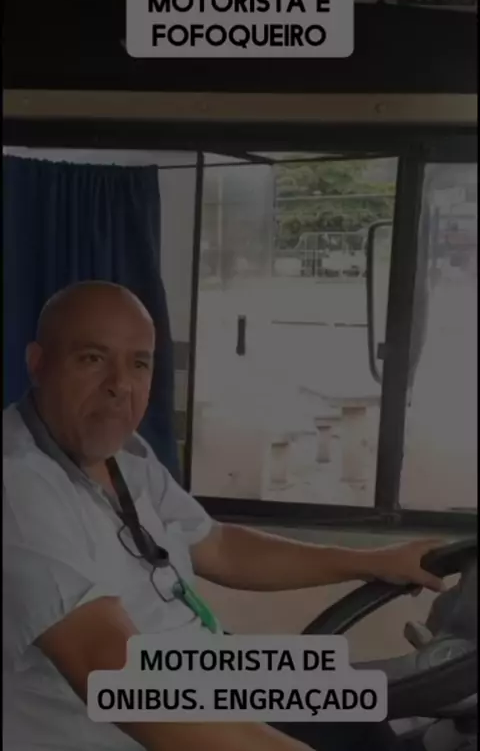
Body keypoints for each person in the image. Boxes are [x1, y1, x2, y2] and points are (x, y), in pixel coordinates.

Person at [3, 281, 446, 751]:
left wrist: (373, 561)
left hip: (206, 666)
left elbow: (218, 546)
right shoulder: (17, 488)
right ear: (38, 363)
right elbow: (119, 679)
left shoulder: (124, 454)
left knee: (365, 711)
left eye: (139, 364)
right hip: (127, 724)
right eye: (92, 359)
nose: (120, 385)